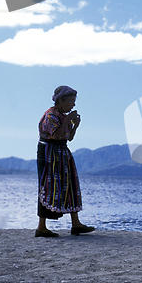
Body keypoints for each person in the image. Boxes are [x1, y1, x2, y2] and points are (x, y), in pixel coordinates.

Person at [35, 86, 95, 237]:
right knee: (47, 186)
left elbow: (68, 137)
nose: (73, 105)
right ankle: (41, 227)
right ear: (61, 101)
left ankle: (76, 223)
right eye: (71, 101)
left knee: (70, 184)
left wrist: (75, 126)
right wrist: (68, 119)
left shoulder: (61, 115)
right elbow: (56, 135)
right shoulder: (50, 116)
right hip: (49, 153)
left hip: (62, 152)